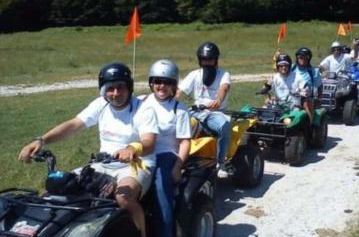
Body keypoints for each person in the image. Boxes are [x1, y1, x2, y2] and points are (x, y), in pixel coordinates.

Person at [18, 62, 158, 237]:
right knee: (57, 188)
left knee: (124, 197)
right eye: (110, 88)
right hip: (102, 163)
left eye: (120, 88)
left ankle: (142, 233)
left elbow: (149, 141)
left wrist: (132, 148)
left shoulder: (143, 109)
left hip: (136, 165)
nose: (115, 93)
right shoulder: (101, 104)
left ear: (129, 87)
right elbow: (73, 125)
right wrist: (42, 140)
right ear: (103, 90)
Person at [142, 59, 191, 237]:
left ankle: (165, 232)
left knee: (162, 190)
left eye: (167, 82)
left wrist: (178, 167)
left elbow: (185, 141)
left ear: (174, 85)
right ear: (151, 83)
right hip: (141, 154)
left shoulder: (179, 109)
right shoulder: (141, 102)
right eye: (157, 81)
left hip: (165, 154)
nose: (161, 86)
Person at [176, 41, 231, 178]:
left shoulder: (223, 74)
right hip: (196, 111)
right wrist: (170, 102)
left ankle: (220, 163)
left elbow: (224, 88)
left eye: (210, 59)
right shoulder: (194, 74)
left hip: (214, 113)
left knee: (224, 126)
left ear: (216, 60)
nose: (207, 62)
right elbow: (179, 91)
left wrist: (218, 100)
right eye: (204, 59)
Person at [292, 47, 321, 123]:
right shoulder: (291, 68)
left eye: (305, 58)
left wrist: (319, 98)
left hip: (306, 98)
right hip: (290, 96)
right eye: (300, 57)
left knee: (306, 104)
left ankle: (309, 127)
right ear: (297, 58)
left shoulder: (314, 71)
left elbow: (320, 86)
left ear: (309, 59)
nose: (302, 59)